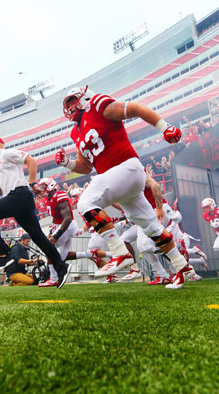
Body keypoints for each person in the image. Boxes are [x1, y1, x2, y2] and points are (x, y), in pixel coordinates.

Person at [55, 86, 193, 289]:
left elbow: (136, 108)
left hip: (126, 166)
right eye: (67, 105)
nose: (69, 107)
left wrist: (164, 127)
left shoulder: (99, 106)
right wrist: (67, 163)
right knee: (151, 227)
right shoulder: (76, 132)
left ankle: (120, 253)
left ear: (84, 97)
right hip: (119, 179)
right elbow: (86, 166)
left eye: (71, 101)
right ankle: (183, 268)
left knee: (86, 202)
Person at [0, 136, 72, 289]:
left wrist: (33, 183)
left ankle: (2, 255)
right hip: (15, 199)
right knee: (39, 237)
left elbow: (31, 160)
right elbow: (1, 191)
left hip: (20, 195)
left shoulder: (6, 153)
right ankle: (61, 267)